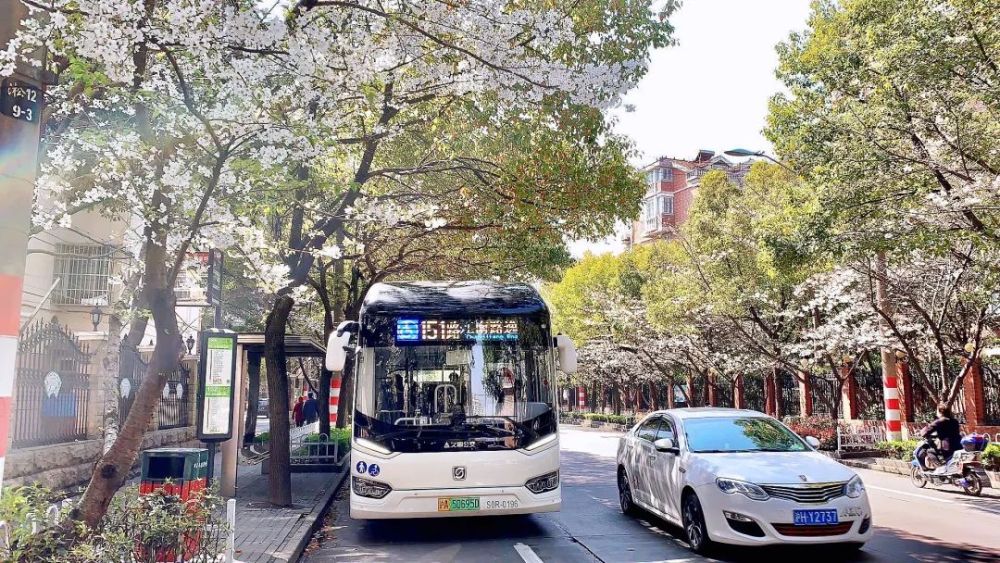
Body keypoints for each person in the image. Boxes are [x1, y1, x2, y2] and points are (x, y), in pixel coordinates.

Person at [920, 402, 963, 467]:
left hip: (947, 448)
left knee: (929, 451)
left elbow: (927, 430)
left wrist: (922, 432)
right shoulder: (954, 421)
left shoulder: (939, 421)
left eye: (937, 411)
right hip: (958, 445)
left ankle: (939, 467)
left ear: (940, 411)